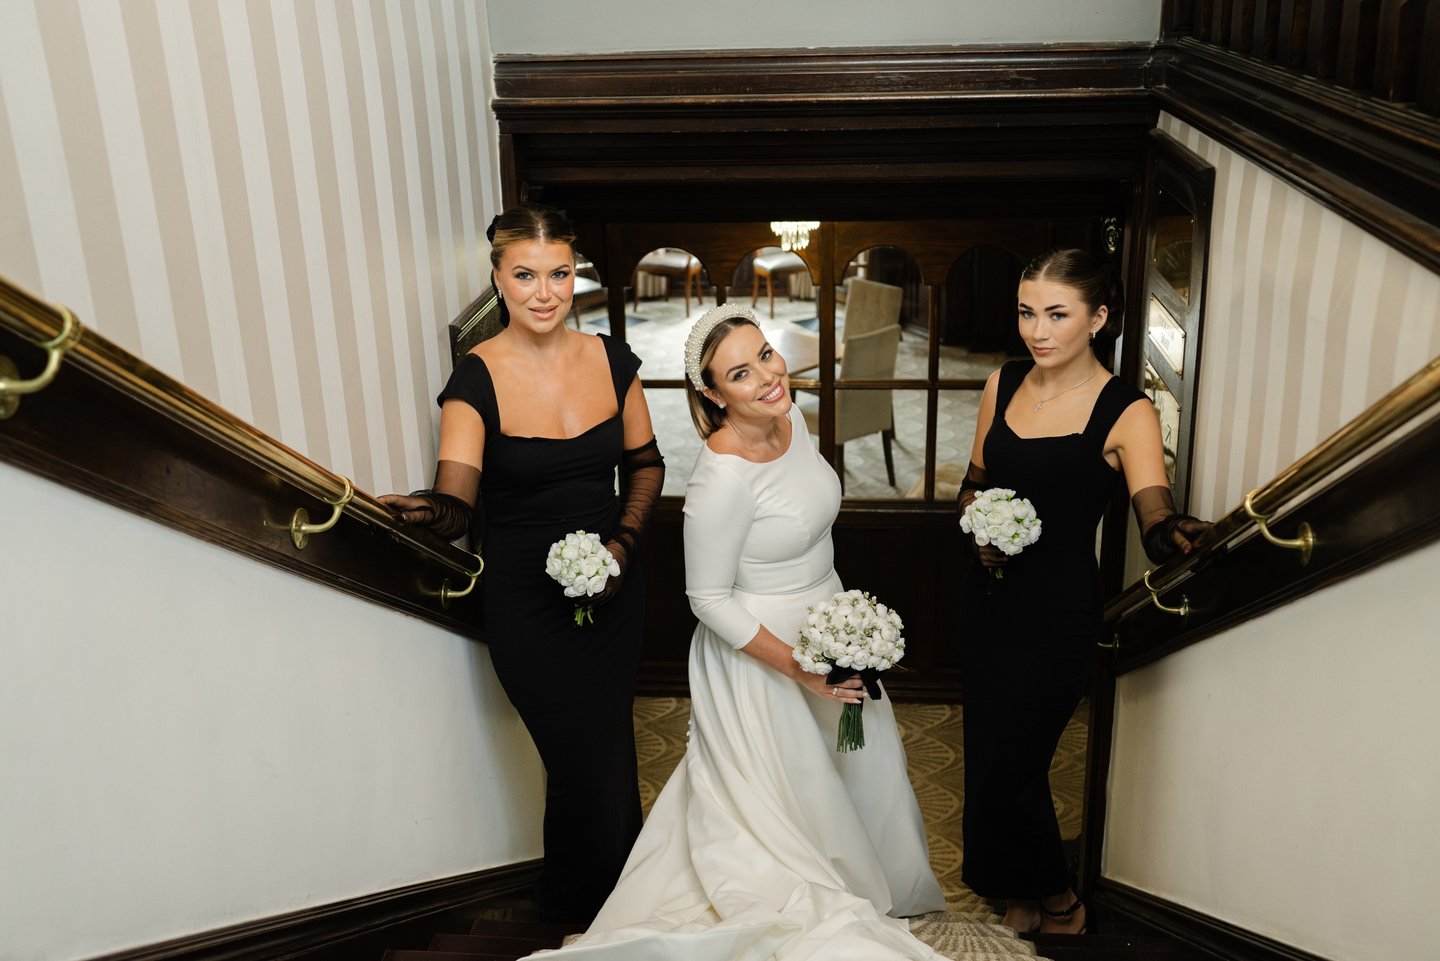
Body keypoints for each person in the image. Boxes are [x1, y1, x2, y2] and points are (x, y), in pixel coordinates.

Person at [537, 303, 947, 960]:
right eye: (739, 371)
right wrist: (800, 665)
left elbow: (812, 524)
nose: (765, 376)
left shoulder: (794, 417)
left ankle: (870, 884)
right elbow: (707, 598)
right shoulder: (721, 477)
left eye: (765, 354)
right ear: (711, 392)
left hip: (829, 623)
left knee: (858, 765)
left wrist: (847, 630)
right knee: (785, 807)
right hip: (761, 655)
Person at [378, 204, 665, 925]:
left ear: (576, 276)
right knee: (578, 767)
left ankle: (609, 915)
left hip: (613, 591)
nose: (545, 292)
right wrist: (420, 512)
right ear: (498, 279)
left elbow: (646, 465)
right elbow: (457, 503)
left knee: (608, 754)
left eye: (560, 273)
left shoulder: (611, 359)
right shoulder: (474, 380)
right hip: (527, 608)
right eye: (526, 275)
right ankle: (579, 917)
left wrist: (621, 550)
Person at [955, 249, 1209, 936]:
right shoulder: (1002, 383)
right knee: (987, 752)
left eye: (1057, 314)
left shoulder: (1128, 411)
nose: (1037, 329)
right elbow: (975, 481)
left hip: (1058, 616)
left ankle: (1059, 902)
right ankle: (1018, 889)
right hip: (988, 604)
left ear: (1097, 317)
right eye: (1026, 311)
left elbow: (1152, 516)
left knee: (1020, 760)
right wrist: (979, 524)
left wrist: (1181, 531)